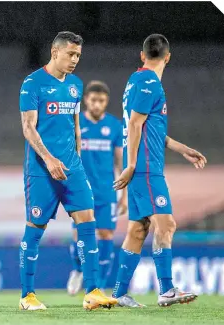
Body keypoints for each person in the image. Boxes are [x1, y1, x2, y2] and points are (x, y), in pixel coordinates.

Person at [18, 31, 118, 311]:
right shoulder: (32, 83)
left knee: (88, 221)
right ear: (54, 51)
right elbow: (28, 128)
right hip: (41, 170)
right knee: (35, 228)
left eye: (78, 56)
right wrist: (49, 159)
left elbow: (75, 126)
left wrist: (77, 160)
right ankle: (27, 295)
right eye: (70, 54)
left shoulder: (75, 85)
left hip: (72, 168)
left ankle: (93, 290)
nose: (75, 60)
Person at [112, 34, 207, 307]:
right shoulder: (149, 83)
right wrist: (131, 166)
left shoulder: (136, 80)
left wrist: (182, 148)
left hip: (143, 165)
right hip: (145, 168)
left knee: (138, 230)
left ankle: (119, 294)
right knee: (166, 224)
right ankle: (166, 290)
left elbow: (151, 131)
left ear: (143, 55)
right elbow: (133, 126)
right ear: (168, 56)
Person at [67, 81, 127, 295]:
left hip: (106, 191)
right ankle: (77, 269)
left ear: (106, 101)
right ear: (86, 100)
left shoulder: (114, 126)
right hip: (80, 190)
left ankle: (98, 287)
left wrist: (124, 195)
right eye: (93, 100)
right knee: (79, 236)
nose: (97, 104)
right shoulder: (75, 123)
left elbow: (121, 163)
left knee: (106, 234)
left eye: (101, 100)